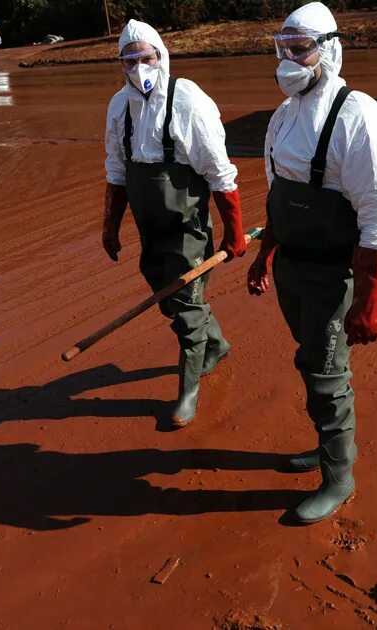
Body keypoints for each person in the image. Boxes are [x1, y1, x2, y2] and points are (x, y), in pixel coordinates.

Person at [247, 2, 377, 524]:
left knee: (328, 373)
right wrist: (265, 255)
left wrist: (369, 303)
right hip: (294, 268)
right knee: (312, 363)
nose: (289, 58)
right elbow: (275, 196)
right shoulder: (283, 117)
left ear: (328, 50)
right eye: (282, 47)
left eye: (300, 48)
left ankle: (339, 478)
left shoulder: (359, 117)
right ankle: (328, 449)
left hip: (335, 273)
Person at [103, 20, 247, 429]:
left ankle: (188, 390)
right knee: (170, 298)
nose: (139, 68)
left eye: (146, 58)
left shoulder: (186, 100)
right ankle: (215, 344)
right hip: (149, 226)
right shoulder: (119, 107)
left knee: (183, 305)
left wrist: (235, 232)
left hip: (186, 226)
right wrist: (110, 227)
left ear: (162, 56)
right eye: (129, 61)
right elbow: (116, 169)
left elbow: (220, 174)